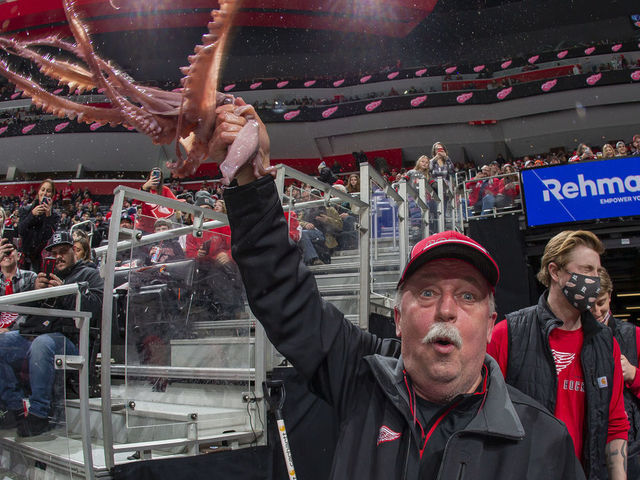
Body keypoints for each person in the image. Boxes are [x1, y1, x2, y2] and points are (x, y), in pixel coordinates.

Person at [211, 101, 584, 479]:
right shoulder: (361, 378)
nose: (446, 309)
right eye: (427, 293)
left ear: (491, 325)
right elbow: (282, 291)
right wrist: (251, 177)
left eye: (467, 296)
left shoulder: (544, 443)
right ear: (397, 318)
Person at [488, 230, 629, 479]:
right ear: (555, 272)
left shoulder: (606, 343)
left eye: (597, 271)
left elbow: (615, 424)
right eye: (587, 270)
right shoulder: (508, 334)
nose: (595, 280)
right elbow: (482, 414)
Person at [0, 231, 103, 436]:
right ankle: (14, 408)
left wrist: (65, 291)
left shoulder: (88, 273)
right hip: (36, 334)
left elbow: (97, 308)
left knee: (42, 343)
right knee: (2, 343)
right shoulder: (42, 277)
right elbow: (22, 311)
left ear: (74, 251)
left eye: (63, 252)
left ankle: (40, 414)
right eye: (53, 254)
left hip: (71, 339)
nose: (58, 257)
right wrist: (35, 291)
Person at [594, 267, 640, 477]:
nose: (596, 311)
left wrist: (633, 374)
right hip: (590, 448)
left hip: (631, 451)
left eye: (601, 302)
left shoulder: (634, 335)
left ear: (610, 296)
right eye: (590, 304)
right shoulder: (573, 337)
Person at [17, 179, 60, 272]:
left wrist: (48, 216)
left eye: (48, 191)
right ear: (39, 191)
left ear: (52, 195)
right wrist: (32, 215)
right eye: (43, 189)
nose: (45, 193)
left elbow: (47, 237)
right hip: (24, 257)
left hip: (40, 259)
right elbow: (20, 230)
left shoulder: (55, 216)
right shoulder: (25, 210)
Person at [136, 167, 178, 233]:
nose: (156, 177)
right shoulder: (144, 188)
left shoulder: (165, 190)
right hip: (144, 226)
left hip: (159, 227)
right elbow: (136, 202)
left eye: (158, 175)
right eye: (153, 175)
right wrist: (144, 187)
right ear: (149, 177)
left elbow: (176, 203)